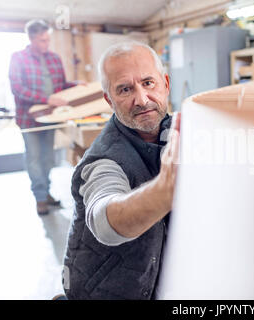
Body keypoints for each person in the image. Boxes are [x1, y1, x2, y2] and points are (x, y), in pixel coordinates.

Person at [62, 41, 180, 300]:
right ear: (109, 99)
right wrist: (167, 188)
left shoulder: (178, 131)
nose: (142, 99)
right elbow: (104, 220)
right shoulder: (103, 159)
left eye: (148, 83)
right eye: (125, 89)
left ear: (166, 84)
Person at [9, 19, 79, 215]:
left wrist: (75, 85)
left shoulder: (54, 58)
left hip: (50, 119)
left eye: (47, 40)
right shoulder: (18, 58)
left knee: (48, 159)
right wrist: (47, 99)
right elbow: (18, 88)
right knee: (34, 158)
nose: (46, 44)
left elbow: (61, 86)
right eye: (42, 40)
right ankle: (40, 198)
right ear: (31, 38)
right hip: (28, 120)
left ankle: (45, 192)